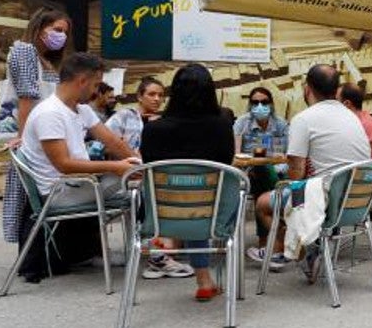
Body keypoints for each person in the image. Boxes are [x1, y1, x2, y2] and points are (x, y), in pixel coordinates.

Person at [17, 52, 137, 281]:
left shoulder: (81, 109)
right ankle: (146, 251)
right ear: (81, 81)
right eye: (95, 85)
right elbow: (64, 165)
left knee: (136, 179)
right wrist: (117, 167)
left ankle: (137, 249)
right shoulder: (49, 113)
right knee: (130, 183)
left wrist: (138, 163)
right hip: (58, 192)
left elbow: (112, 141)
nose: (96, 91)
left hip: (78, 184)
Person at [253, 65, 371, 267]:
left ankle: (286, 249)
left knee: (264, 203)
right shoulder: (352, 116)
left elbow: (296, 174)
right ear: (336, 90)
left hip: (328, 201)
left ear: (307, 89)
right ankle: (302, 246)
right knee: (297, 194)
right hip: (357, 201)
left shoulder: (304, 119)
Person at [139, 63, 234, 300]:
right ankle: (204, 279)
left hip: (162, 215)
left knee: (186, 196)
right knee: (210, 194)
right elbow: (227, 161)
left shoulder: (153, 130)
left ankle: (174, 247)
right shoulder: (222, 124)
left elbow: (148, 169)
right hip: (212, 214)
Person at [1, 8, 73, 246]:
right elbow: (26, 97)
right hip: (32, 135)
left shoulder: (47, 60)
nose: (61, 36)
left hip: (47, 134)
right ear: (40, 28)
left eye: (64, 32)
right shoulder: (25, 51)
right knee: (28, 198)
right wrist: (23, 137)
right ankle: (31, 255)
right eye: (56, 30)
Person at [234, 87, 290, 261]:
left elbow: (288, 155)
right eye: (255, 102)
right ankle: (274, 240)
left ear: (271, 103)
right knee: (261, 172)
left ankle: (266, 242)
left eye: (264, 102)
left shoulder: (281, 124)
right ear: (250, 104)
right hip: (248, 172)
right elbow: (235, 155)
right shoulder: (242, 123)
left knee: (265, 176)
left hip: (278, 172)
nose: (260, 106)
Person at [338, 82, 372, 175]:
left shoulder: (364, 124)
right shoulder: (361, 119)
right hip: (367, 174)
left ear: (347, 103)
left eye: (335, 101)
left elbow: (353, 154)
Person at [105, 76, 165, 152]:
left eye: (160, 95)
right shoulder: (125, 116)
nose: (157, 99)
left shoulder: (162, 120)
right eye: (151, 94)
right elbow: (105, 143)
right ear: (139, 97)